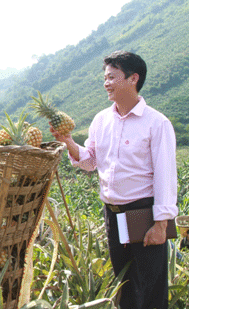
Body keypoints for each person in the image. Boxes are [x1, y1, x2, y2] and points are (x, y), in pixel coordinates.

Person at [50, 51, 178, 309]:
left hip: (143, 212)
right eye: (105, 77)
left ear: (133, 78)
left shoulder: (156, 123)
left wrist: (161, 224)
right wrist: (68, 143)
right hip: (113, 214)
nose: (106, 82)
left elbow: (166, 175)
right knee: (124, 285)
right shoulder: (101, 119)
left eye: (112, 76)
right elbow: (90, 161)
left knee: (150, 287)